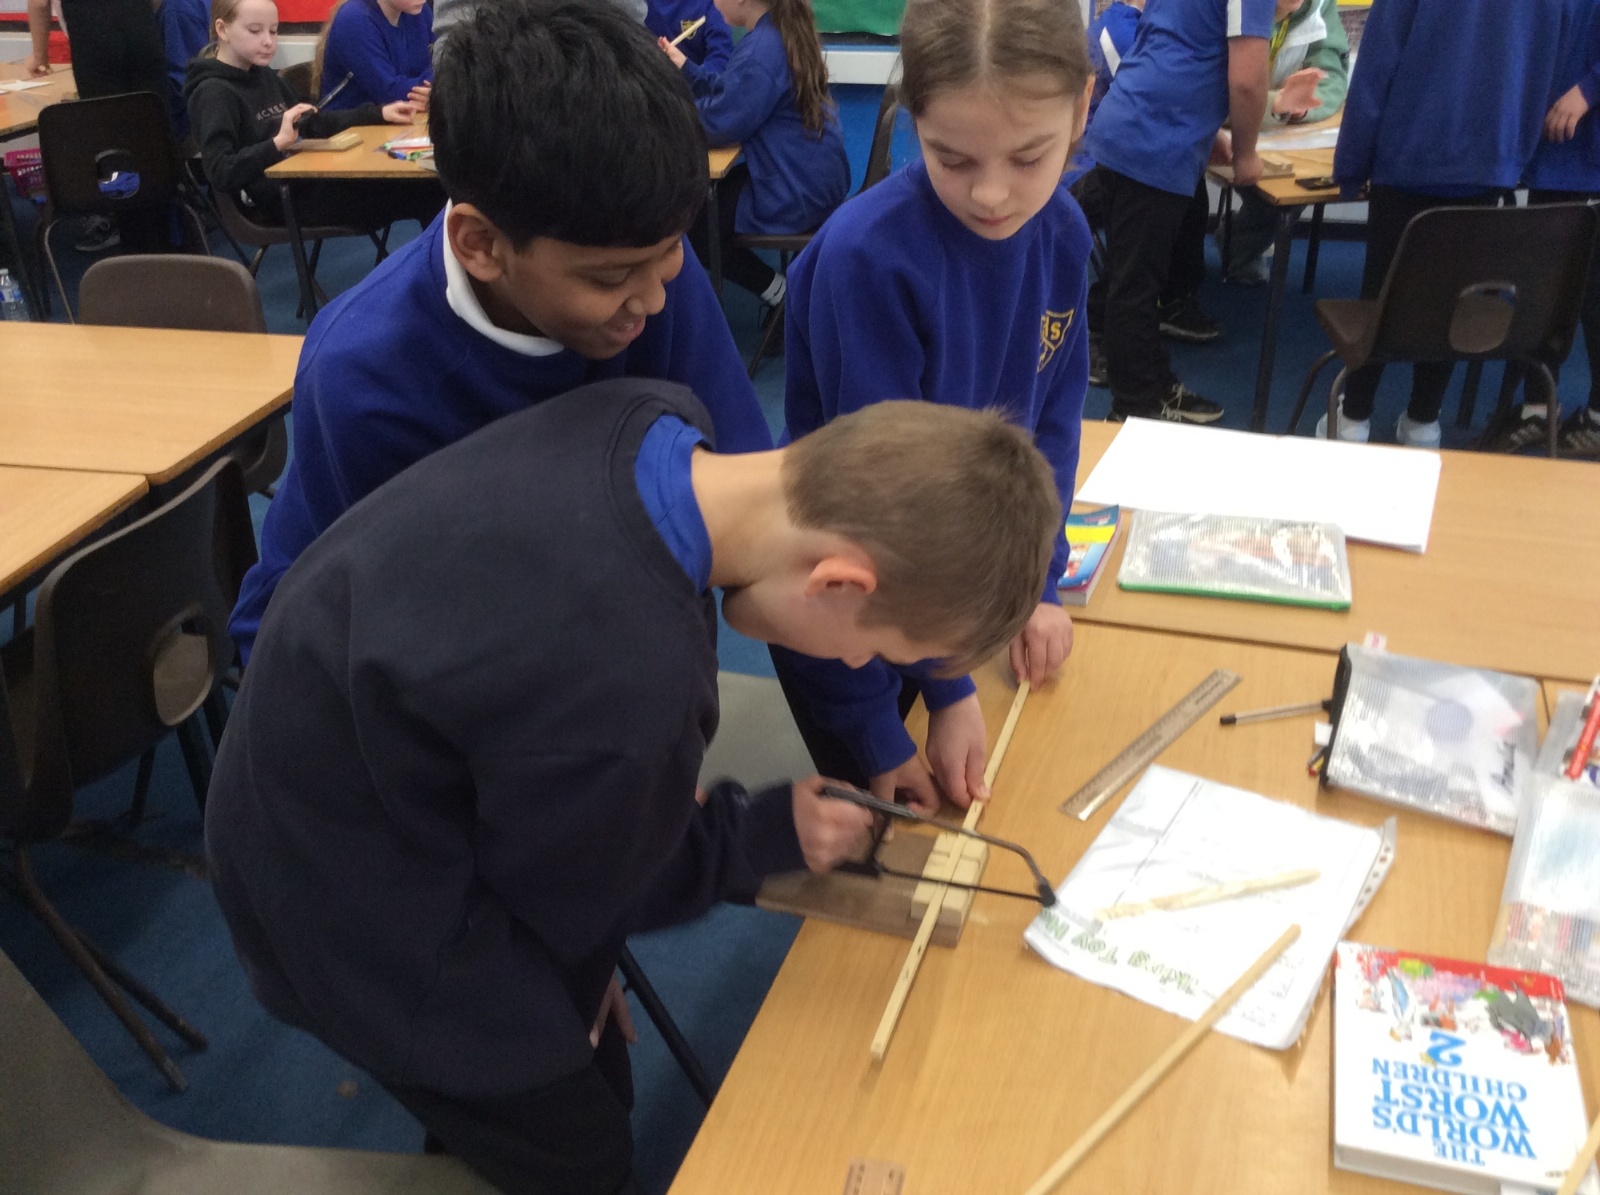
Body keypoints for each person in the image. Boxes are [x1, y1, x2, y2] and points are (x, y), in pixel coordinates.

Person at [207, 383, 1059, 1195]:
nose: (857, 663)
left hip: (365, 747)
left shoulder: (655, 421)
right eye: (874, 649)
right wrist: (762, 835)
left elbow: (562, 806)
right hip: (336, 884)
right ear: (838, 581)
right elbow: (594, 882)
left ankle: (485, 1100)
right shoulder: (630, 678)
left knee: (575, 1047)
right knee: (578, 1140)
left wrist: (576, 945)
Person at [227, 0, 774, 661]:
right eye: (611, 278)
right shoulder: (364, 373)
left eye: (670, 255)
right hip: (436, 666)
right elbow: (374, 638)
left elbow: (757, 504)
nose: (655, 297)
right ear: (481, 244)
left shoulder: (640, 259)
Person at [774, 0, 1091, 813]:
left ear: (1082, 108)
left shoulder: (1061, 231)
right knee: (888, 820)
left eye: (1029, 156)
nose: (991, 193)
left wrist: (1035, 584)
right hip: (853, 616)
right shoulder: (867, 260)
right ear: (913, 117)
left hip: (954, 600)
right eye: (952, 158)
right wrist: (937, 694)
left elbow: (1051, 427)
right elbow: (874, 516)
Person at [1325, 0, 1572, 448]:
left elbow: (1377, 62)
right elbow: (1544, 63)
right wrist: (1515, 152)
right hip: (1491, 159)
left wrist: (1352, 165)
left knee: (1382, 293)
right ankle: (1423, 421)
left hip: (1409, 152)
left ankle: (1353, 418)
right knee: (1455, 297)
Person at [1087, 0, 1277, 424]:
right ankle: (1135, 409)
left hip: (1129, 124)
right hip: (1153, 140)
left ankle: (1153, 388)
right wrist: (1246, 153)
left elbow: (1164, 41)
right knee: (1135, 289)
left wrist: (1207, 131)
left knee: (1133, 283)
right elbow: (1247, 80)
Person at [663, 0, 850, 312]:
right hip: (810, 178)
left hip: (795, 192)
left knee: (694, 223)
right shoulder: (776, 33)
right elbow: (733, 92)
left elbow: (722, 123)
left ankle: (782, 294)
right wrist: (687, 69)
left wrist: (662, 112)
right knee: (704, 201)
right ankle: (782, 292)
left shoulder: (761, 49)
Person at [185, 0, 435, 230]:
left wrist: (378, 113)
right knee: (427, 191)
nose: (268, 41)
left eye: (273, 31)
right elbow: (221, 171)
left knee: (431, 185)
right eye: (254, 31)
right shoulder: (212, 92)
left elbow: (313, 122)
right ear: (222, 30)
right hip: (282, 198)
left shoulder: (263, 75)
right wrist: (277, 144)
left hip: (306, 181)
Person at [1078, 0, 1224, 385]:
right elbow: (1154, 100)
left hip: (1116, 154)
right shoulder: (1119, 30)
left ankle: (1173, 299)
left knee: (1188, 194)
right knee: (1137, 253)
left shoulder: (1150, 26)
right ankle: (1095, 335)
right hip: (1087, 166)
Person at [1481, 0, 1600, 459]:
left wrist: (1588, 89)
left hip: (1586, 146)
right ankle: (1537, 407)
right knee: (1541, 287)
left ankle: (1596, 418)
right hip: (1553, 149)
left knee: (1593, 295)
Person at [1219, 0, 1349, 286]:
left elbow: (1332, 74)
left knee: (1299, 185)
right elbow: (1211, 87)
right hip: (1216, 121)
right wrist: (1275, 104)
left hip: (1279, 127)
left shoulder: (1319, 6)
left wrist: (1300, 107)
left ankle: (1239, 247)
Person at [23, 0, 171, 251]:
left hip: (94, 35)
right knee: (152, 140)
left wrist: (40, 56)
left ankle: (137, 249)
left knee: (114, 150)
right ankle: (168, 244)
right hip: (140, 26)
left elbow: (39, 3)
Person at [313, 0, 433, 112]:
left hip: (402, 120)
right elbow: (389, 93)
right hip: (353, 124)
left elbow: (440, 66)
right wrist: (436, 89)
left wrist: (434, 90)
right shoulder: (354, 19)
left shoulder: (418, 10)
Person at [158, 0, 211, 141]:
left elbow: (186, 81)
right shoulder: (182, 8)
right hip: (205, 119)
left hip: (199, 122)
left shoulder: (181, 8)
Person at [646, 0, 732, 79]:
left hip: (690, 84)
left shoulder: (713, 5)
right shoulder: (642, 5)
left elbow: (720, 61)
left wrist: (687, 69)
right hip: (647, 76)